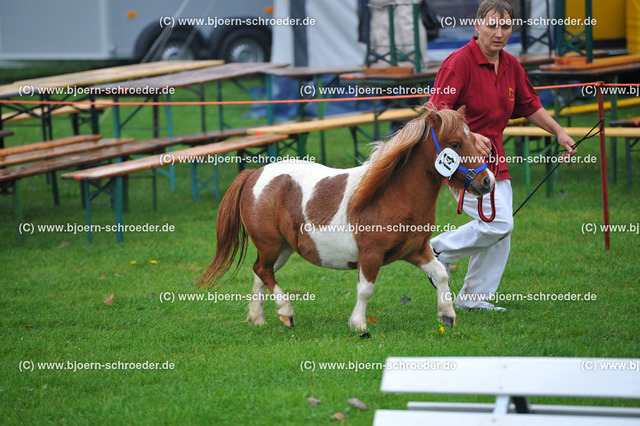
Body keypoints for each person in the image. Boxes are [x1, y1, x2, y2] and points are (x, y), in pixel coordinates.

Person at [428, 0, 576, 310]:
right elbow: (436, 113)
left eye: (506, 26)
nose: (499, 32)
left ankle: (473, 300)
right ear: (477, 25)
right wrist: (469, 135)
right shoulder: (459, 63)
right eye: (492, 25)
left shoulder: (511, 65)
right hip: (462, 164)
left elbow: (530, 105)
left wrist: (559, 132)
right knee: (498, 225)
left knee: (500, 230)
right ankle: (437, 251)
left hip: (496, 160)